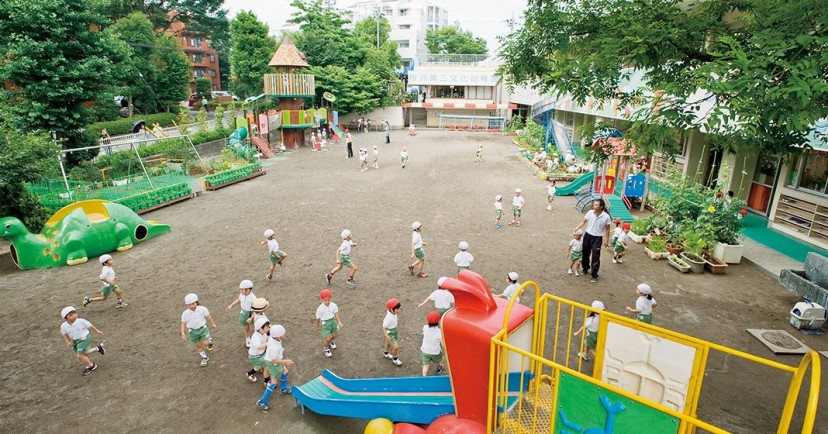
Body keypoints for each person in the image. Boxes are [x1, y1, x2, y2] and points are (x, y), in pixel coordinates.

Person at [257, 324, 294, 411]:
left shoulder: (273, 338)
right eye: (283, 334)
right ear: (279, 336)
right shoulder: (275, 347)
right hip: (272, 363)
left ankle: (284, 389)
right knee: (274, 381)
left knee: (285, 371)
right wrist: (286, 361)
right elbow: (274, 360)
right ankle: (262, 401)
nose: (284, 335)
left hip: (273, 360)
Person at [573, 198, 612, 283]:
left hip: (597, 238)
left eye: (596, 205)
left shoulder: (606, 217)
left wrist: (607, 241)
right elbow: (583, 222)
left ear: (601, 207)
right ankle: (585, 268)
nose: (594, 206)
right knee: (585, 253)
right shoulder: (590, 213)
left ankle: (594, 275)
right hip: (588, 235)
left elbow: (608, 229)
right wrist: (577, 228)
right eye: (594, 204)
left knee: (595, 257)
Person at [60, 306, 105, 376]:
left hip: (84, 338)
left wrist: (97, 331)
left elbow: (90, 326)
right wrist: (67, 342)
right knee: (82, 354)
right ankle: (98, 348)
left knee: (80, 356)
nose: (74, 316)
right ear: (66, 317)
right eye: (71, 315)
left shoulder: (81, 321)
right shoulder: (64, 326)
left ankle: (91, 366)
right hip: (76, 340)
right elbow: (65, 334)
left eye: (75, 313)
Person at [180, 293, 217, 367]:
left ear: (196, 302)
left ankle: (210, 342)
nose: (191, 306)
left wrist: (213, 323)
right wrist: (182, 332)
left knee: (206, 343)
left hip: (203, 329)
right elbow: (183, 323)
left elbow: (208, 316)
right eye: (189, 305)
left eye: (193, 304)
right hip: (192, 332)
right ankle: (205, 358)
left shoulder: (203, 309)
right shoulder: (185, 313)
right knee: (198, 345)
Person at [225, 279, 256, 348]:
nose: (240, 291)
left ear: (247, 290)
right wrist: (231, 305)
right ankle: (248, 339)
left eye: (242, 289)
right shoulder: (242, 294)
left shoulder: (253, 298)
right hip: (244, 313)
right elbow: (239, 300)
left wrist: (251, 318)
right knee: (245, 326)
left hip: (251, 313)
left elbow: (256, 310)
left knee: (256, 327)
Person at [315, 289, 343, 358]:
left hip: (332, 321)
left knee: (334, 335)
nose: (327, 302)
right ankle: (325, 348)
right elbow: (318, 319)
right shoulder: (320, 309)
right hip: (325, 324)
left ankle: (330, 342)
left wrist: (339, 322)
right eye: (325, 300)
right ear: (321, 300)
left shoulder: (333, 305)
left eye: (328, 300)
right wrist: (318, 326)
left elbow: (336, 314)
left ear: (330, 298)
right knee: (327, 338)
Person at [420, 310, 445, 376]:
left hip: (425, 350)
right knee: (438, 360)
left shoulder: (425, 327)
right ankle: (440, 367)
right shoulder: (439, 332)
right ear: (438, 321)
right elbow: (442, 343)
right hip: (435, 352)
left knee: (425, 366)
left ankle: (424, 378)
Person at [246, 318, 269, 382]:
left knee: (258, 367)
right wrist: (268, 343)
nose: (268, 329)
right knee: (266, 366)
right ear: (260, 329)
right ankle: (267, 382)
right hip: (255, 357)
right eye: (267, 327)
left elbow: (266, 339)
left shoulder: (263, 333)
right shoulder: (255, 337)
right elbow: (259, 347)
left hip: (260, 354)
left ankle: (249, 373)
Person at [382, 298, 403, 366]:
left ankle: (385, 353)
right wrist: (386, 335)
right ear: (391, 309)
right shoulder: (388, 318)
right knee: (396, 347)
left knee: (388, 343)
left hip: (394, 330)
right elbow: (383, 327)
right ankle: (395, 359)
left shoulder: (393, 313)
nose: (399, 310)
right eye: (397, 309)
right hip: (390, 332)